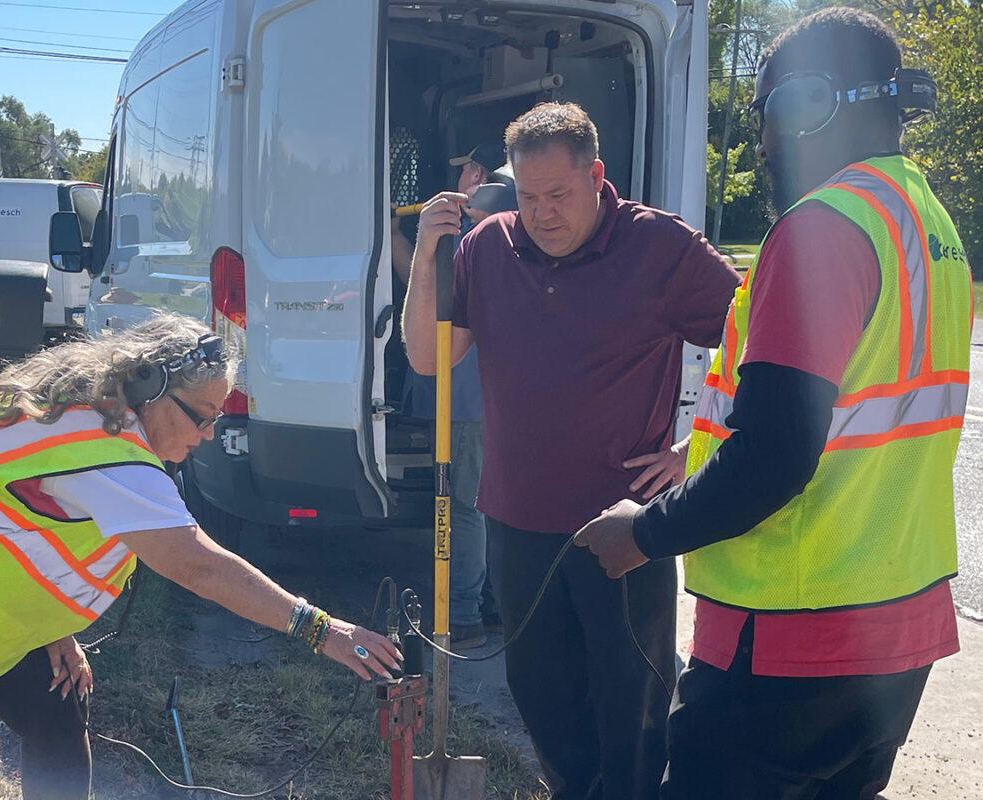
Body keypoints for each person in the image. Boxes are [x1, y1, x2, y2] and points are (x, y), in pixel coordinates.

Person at [574, 8, 971, 798]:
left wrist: (645, 533)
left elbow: (776, 452)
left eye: (767, 117)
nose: (759, 146)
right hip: (896, 629)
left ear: (812, 106)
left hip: (790, 632)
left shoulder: (821, 229)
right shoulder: (926, 221)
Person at [0, 313, 401, 800]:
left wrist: (52, 626)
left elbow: (29, 524)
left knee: (56, 721)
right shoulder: (106, 448)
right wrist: (323, 629)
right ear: (152, 390)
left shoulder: (99, 416)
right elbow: (199, 566)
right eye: (203, 415)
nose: (210, 432)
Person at [401, 103, 739, 799]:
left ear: (596, 176)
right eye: (527, 196)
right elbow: (431, 359)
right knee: (540, 692)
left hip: (625, 527)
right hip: (517, 518)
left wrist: (691, 448)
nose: (542, 213)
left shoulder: (659, 247)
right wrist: (425, 264)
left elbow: (758, 344)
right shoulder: (487, 247)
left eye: (558, 195)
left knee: (631, 703)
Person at [391, 142, 511, 649]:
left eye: (460, 170)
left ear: (476, 174)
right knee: (490, 504)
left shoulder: (464, 232)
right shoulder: (514, 227)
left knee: (464, 507)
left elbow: (411, 276)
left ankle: (461, 615)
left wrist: (393, 229)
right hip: (498, 398)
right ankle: (492, 603)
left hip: (465, 399)